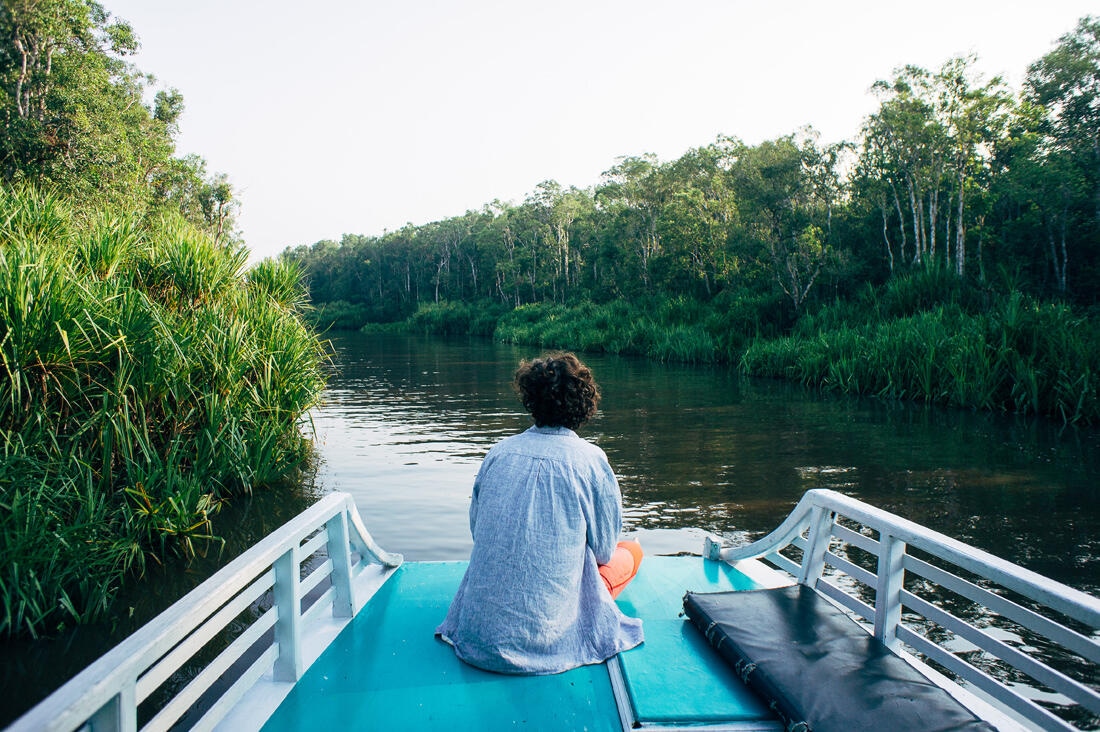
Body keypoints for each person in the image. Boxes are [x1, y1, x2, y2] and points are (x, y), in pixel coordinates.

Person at [435, 351, 644, 674]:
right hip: (548, 641)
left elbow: (479, 532)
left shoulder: (498, 453)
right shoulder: (591, 461)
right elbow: (603, 550)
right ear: (584, 405)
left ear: (531, 400)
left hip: (476, 638)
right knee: (630, 551)